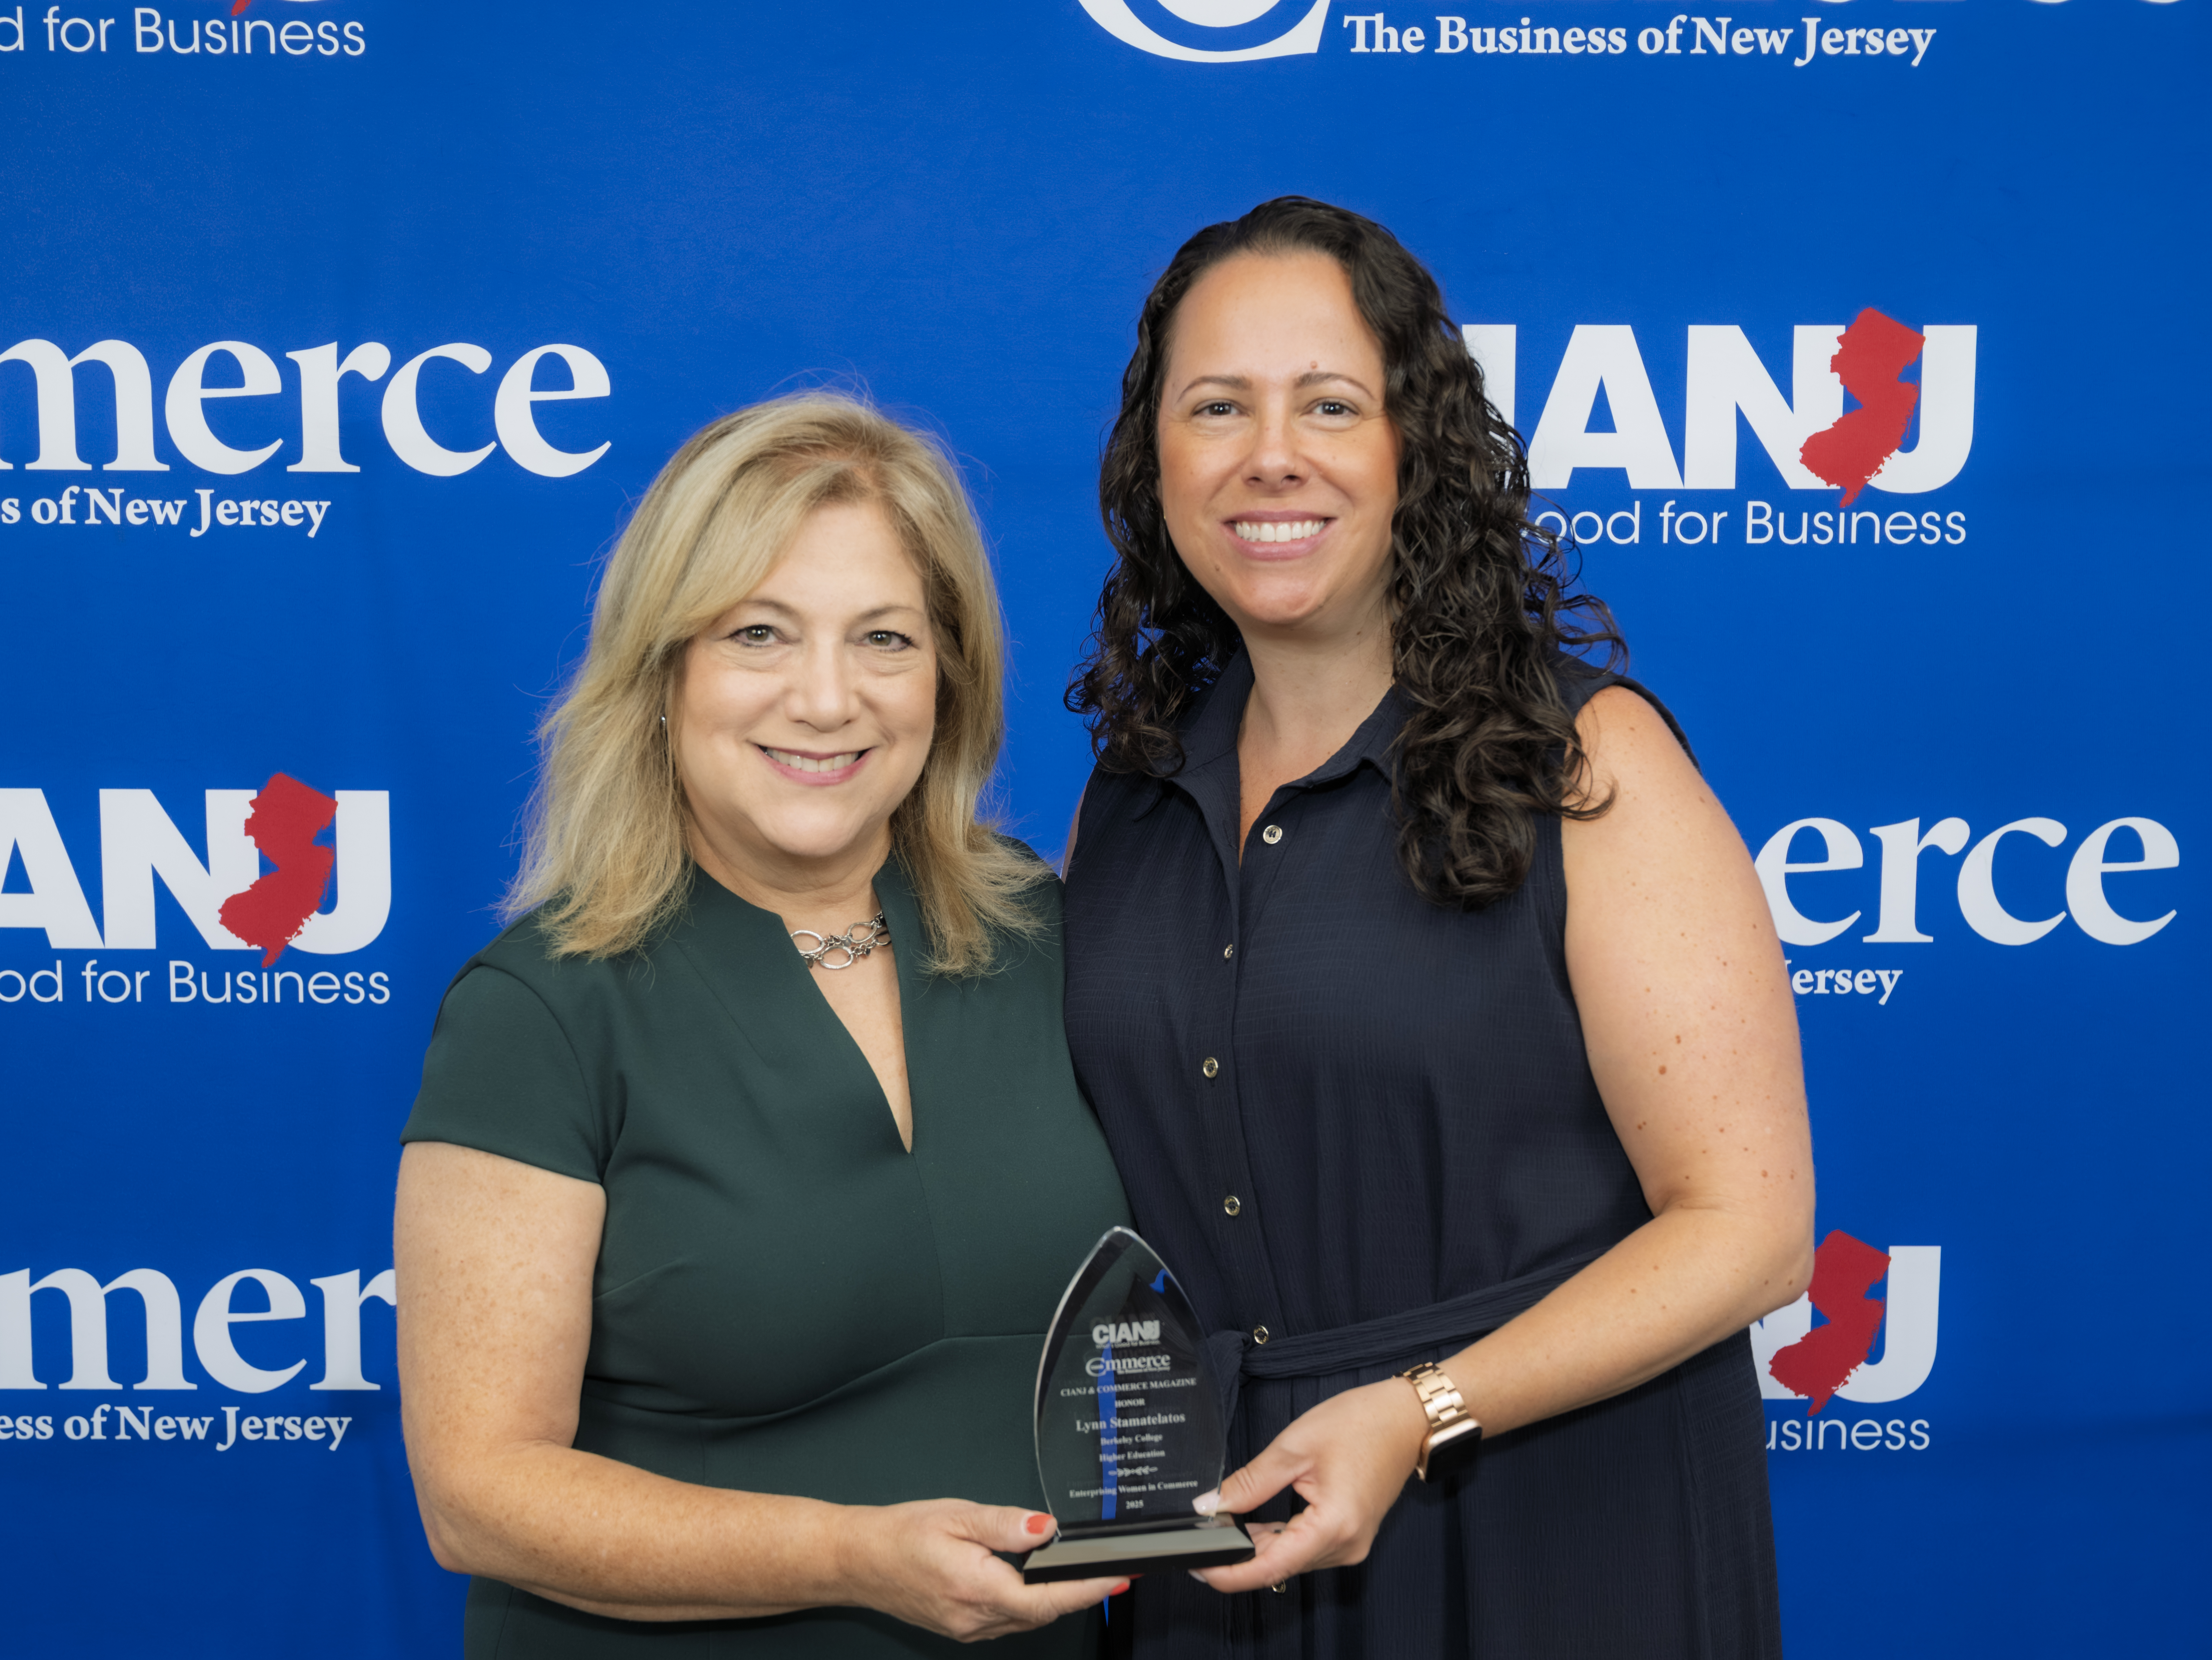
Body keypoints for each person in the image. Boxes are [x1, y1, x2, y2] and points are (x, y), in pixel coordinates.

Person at [1061, 198, 1815, 1656]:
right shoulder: (1129, 796)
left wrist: (1422, 1414)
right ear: (1155, 458)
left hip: (1545, 1532)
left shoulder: (1588, 768)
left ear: (1416, 447)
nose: (1269, 453)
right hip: (1211, 1546)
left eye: (1330, 405)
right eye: (1216, 406)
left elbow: (1752, 1228)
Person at [394, 393, 1133, 1658]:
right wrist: (849, 1557)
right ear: (663, 670)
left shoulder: (1054, 937)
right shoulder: (541, 1008)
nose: (828, 698)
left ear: (948, 676)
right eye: (760, 634)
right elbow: (478, 1494)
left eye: (885, 639)